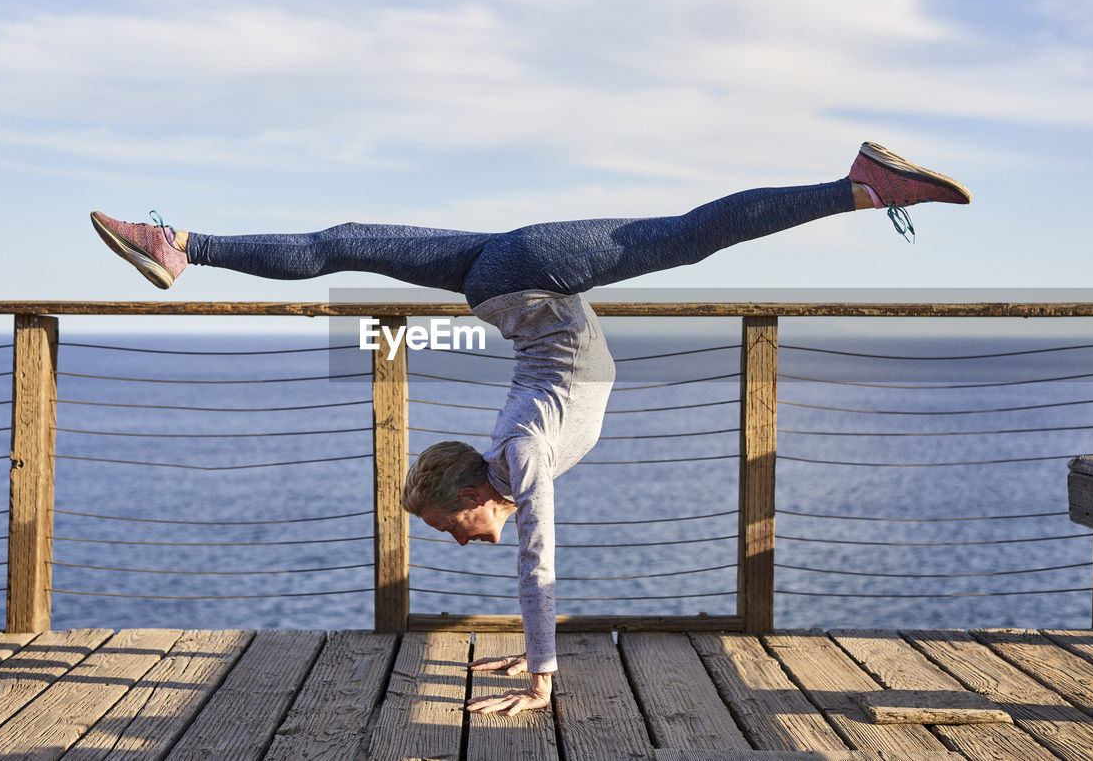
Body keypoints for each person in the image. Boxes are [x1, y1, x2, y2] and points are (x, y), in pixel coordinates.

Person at [90, 141, 970, 716]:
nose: (463, 542)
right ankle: (180, 244)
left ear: (473, 490)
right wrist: (534, 658)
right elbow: (526, 554)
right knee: (347, 237)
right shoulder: (510, 453)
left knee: (692, 235)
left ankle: (864, 185)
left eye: (450, 526)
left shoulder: (520, 456)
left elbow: (535, 564)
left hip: (531, 271)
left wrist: (544, 676)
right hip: (500, 279)